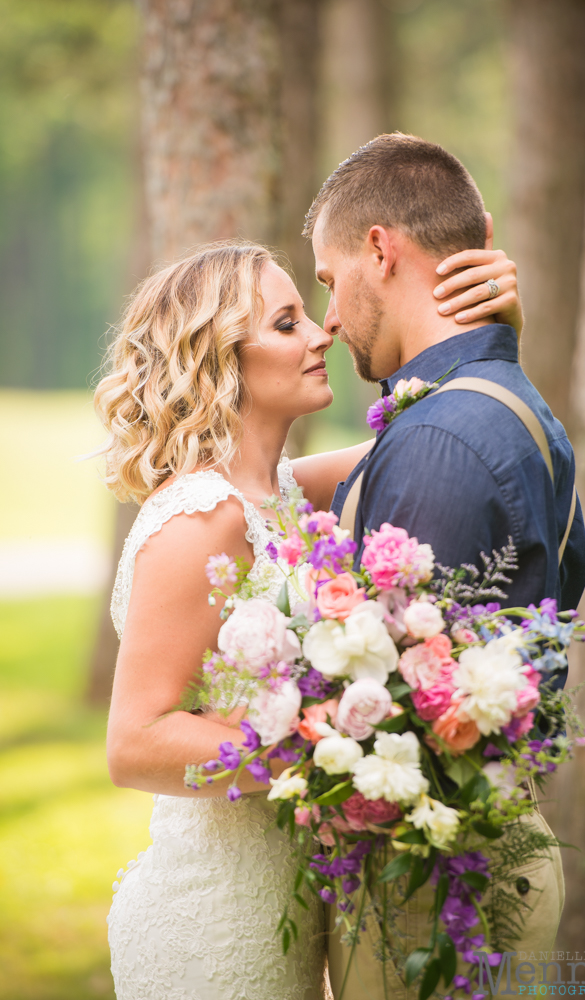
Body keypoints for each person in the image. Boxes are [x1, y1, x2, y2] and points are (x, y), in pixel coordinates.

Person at [98, 237, 522, 1000]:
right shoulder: (200, 519)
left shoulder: (284, 493)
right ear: (220, 357)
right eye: (287, 323)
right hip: (217, 922)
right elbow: (134, 742)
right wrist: (337, 760)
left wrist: (492, 327)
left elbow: (436, 429)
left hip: (291, 908)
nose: (322, 334)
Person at [296, 133, 585, 998]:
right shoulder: (499, 409)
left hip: (433, 894)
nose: (325, 321)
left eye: (326, 280)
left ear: (380, 250)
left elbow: (396, 712)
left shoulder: (439, 442)